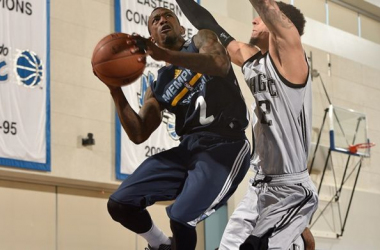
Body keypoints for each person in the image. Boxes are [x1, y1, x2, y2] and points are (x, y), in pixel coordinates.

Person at [175, 0, 318, 249]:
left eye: (259, 18)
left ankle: (293, 233)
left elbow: (267, 6)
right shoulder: (252, 62)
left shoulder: (294, 62)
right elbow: (209, 25)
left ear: (279, 24)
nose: (253, 20)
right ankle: (295, 236)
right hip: (259, 185)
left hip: (290, 188)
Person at [105, 7, 251, 250]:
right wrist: (115, 88)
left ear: (181, 27)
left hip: (226, 144)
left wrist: (165, 55)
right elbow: (139, 133)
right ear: (152, 37)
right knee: (120, 204)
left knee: (181, 217)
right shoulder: (159, 83)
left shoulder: (202, 39)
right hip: (188, 150)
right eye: (155, 21)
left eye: (167, 16)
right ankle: (160, 244)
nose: (162, 21)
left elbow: (219, 64)